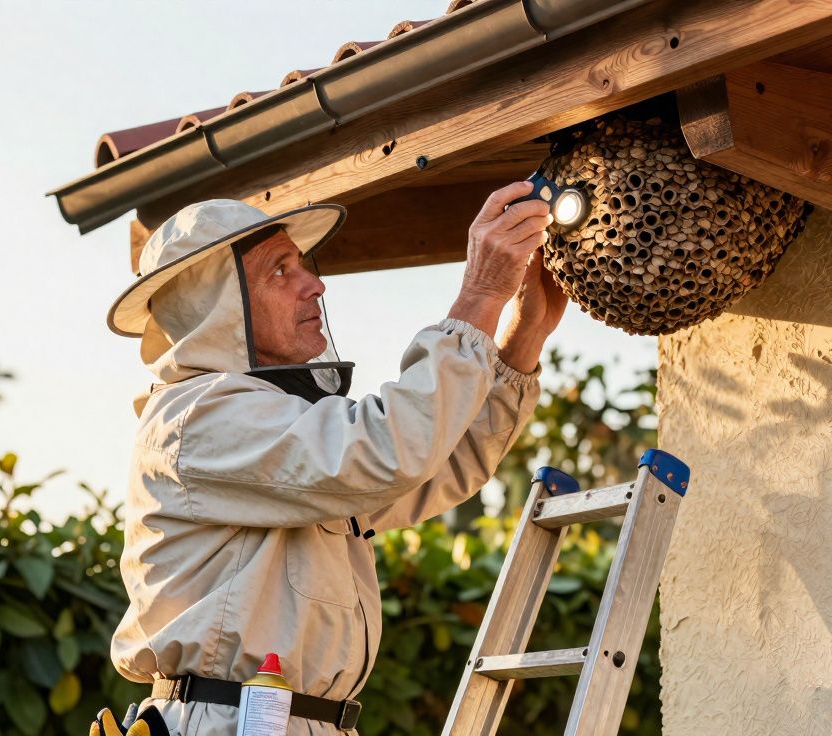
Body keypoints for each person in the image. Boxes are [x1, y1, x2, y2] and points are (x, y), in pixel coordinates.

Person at [91, 182, 566, 735]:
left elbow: (433, 466)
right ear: (216, 307)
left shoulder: (272, 425)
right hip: (231, 722)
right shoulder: (195, 419)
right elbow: (386, 451)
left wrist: (524, 330)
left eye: (302, 266)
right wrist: (480, 295)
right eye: (279, 271)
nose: (314, 285)